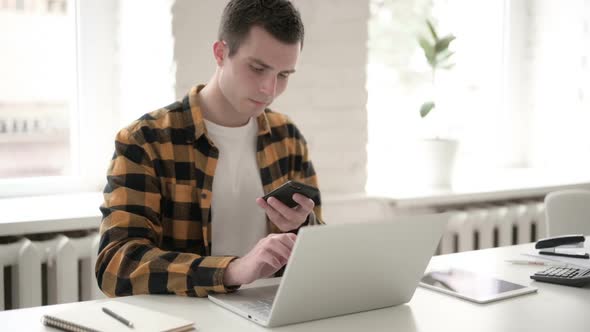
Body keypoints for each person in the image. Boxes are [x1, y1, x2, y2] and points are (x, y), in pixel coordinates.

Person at [95, 0, 323, 298]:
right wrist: (231, 270)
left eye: (284, 75)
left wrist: (302, 225)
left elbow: (318, 250)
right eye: (257, 68)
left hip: (270, 315)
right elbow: (116, 265)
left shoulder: (287, 137)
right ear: (220, 53)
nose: (269, 88)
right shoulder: (145, 140)